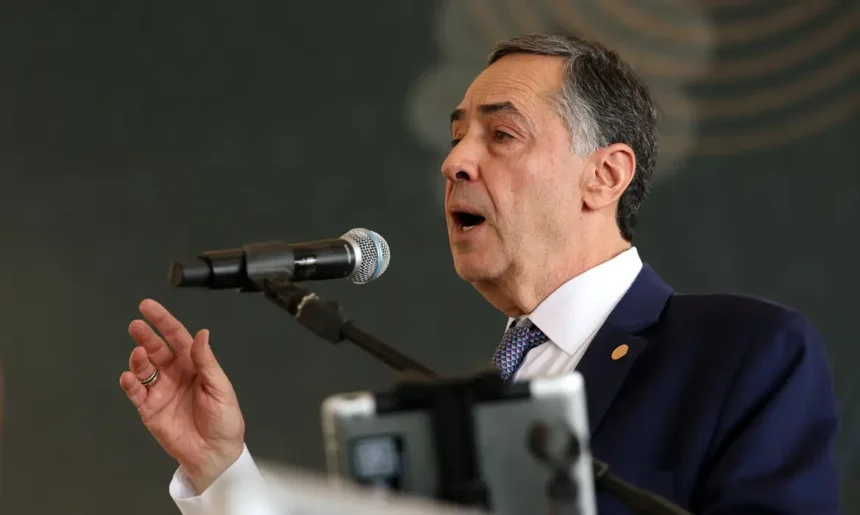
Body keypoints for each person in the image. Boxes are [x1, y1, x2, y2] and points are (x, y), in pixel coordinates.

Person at [119, 33, 839, 514]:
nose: (455, 161)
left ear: (604, 176)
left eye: (501, 134)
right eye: (458, 134)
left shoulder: (740, 351)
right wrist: (222, 470)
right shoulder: (474, 400)